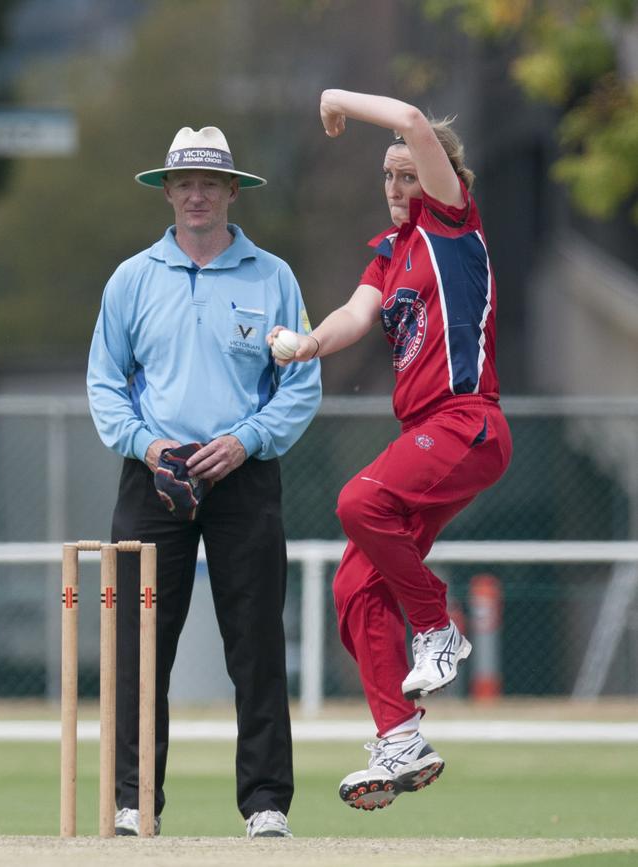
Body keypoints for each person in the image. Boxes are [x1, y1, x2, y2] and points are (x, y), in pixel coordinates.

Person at [268, 90, 512, 811]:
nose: (397, 187)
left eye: (408, 174)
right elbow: (355, 312)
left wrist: (334, 101)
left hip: (467, 422)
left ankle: (437, 622)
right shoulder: (391, 250)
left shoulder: (450, 221)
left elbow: (409, 122)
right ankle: (401, 737)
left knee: (358, 500)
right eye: (388, 177)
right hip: (426, 439)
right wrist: (311, 342)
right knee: (353, 588)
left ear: (441, 180)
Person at [87, 125, 322, 838]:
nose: (196, 195)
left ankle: (266, 802)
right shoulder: (132, 278)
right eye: (183, 182)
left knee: (254, 640)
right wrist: (148, 443)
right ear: (167, 190)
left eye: (209, 183)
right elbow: (104, 384)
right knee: (137, 644)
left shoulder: (271, 276)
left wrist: (247, 439)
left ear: (230, 191)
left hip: (243, 475)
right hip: (153, 473)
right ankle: (134, 802)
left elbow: (302, 384)